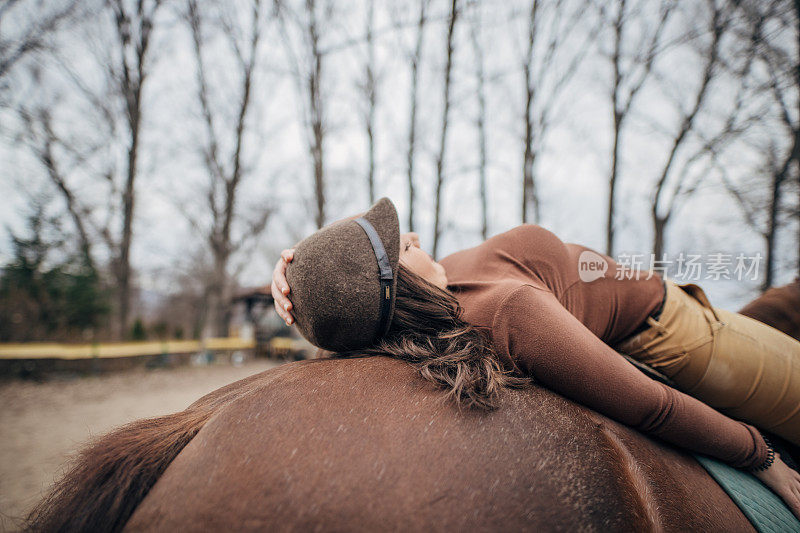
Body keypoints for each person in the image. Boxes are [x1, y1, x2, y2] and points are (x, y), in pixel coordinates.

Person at [270, 197, 800, 516]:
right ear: (401, 288)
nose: (410, 235)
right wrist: (760, 456)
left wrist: (296, 272)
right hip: (674, 330)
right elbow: (651, 406)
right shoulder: (507, 312)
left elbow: (355, 286)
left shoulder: (421, 303)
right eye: (402, 249)